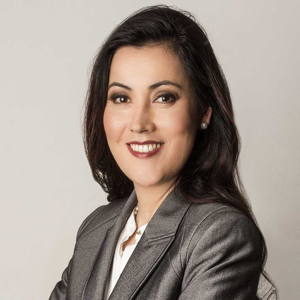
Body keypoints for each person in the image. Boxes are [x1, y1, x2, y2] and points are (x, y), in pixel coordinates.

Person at [49, 5, 278, 300]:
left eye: (164, 97)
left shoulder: (220, 235)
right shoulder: (96, 229)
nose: (140, 123)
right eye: (121, 97)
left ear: (203, 112)